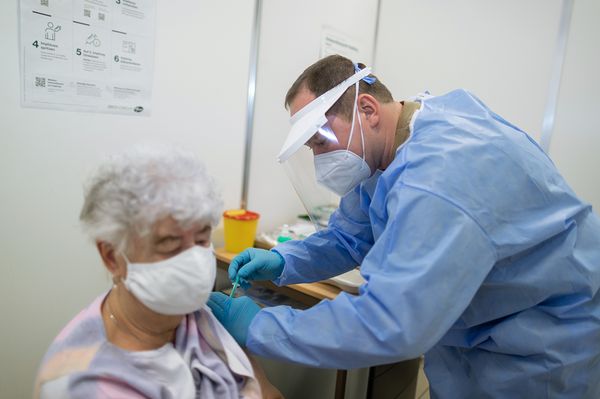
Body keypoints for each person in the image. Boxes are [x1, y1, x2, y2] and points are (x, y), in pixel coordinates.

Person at [208, 55, 600, 398]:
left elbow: (389, 322)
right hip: (477, 332)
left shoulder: (440, 173)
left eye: (321, 142)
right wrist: (282, 260)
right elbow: (350, 235)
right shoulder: (399, 144)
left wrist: (261, 326)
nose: (320, 161)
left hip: (539, 348)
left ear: (367, 110)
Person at [34, 147, 282, 399]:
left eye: (201, 238)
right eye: (170, 243)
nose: (194, 260)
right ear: (112, 256)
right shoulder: (86, 383)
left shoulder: (193, 315)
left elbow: (269, 394)